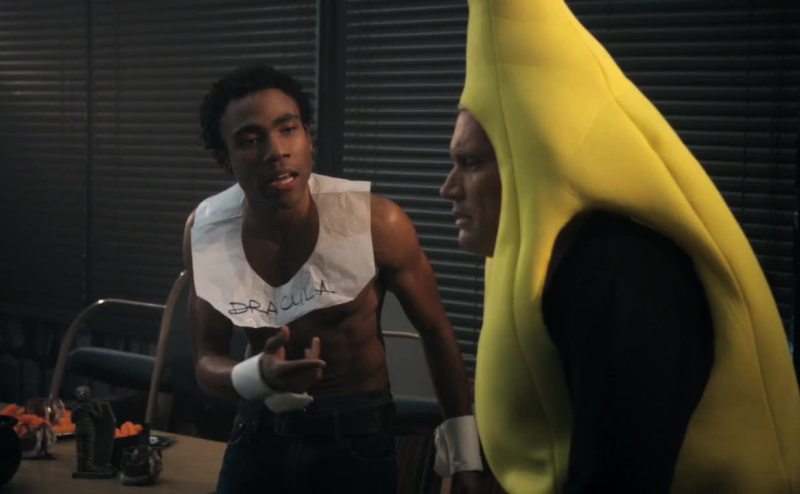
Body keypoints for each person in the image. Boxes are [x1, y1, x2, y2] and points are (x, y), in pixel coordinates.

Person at [439, 1, 800, 493]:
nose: (448, 188)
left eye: (470, 163)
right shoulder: (556, 262)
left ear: (535, 161)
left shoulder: (619, 277)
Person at [183, 64, 482, 493]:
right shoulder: (208, 228)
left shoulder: (376, 222)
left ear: (308, 139)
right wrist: (258, 375)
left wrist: (465, 458)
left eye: (288, 129)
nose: (276, 151)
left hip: (356, 439)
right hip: (258, 434)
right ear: (223, 159)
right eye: (250, 140)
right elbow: (206, 361)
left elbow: (436, 332)